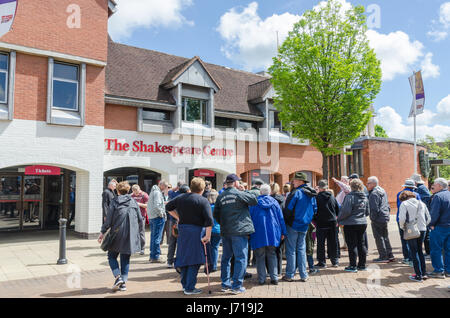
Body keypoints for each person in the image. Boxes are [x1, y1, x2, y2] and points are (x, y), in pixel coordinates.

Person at [165, 178, 213, 295]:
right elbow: (209, 220)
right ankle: (189, 287)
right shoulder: (203, 200)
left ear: (191, 187)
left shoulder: (181, 197)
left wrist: (178, 217)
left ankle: (185, 285)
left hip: (183, 230)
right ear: (202, 189)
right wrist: (208, 236)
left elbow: (168, 207)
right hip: (196, 231)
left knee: (184, 257)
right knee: (195, 259)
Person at [213, 174, 258, 294]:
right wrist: (245, 190)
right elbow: (254, 200)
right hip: (239, 230)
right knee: (240, 258)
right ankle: (237, 285)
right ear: (236, 183)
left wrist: (224, 223)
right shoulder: (239, 193)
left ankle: (225, 284)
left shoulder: (221, 196)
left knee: (226, 258)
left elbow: (216, 214)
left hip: (226, 230)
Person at [98, 181, 143, 292]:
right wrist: (138, 235)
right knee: (125, 258)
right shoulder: (133, 202)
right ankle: (123, 284)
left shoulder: (115, 201)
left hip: (117, 234)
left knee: (111, 256)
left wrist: (102, 232)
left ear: (117, 191)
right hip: (130, 235)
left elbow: (108, 220)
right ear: (128, 191)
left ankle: (118, 277)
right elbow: (140, 219)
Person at [282, 172, 317, 282]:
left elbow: (288, 209)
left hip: (293, 224)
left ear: (301, 181)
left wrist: (287, 221)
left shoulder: (296, 193)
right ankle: (303, 274)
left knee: (291, 250)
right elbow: (315, 209)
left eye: (295, 180)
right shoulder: (311, 194)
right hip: (304, 224)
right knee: (301, 249)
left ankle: (290, 274)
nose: (293, 182)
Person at [249, 184, 287, 285]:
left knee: (260, 256)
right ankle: (274, 277)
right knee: (272, 254)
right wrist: (283, 232)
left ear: (260, 192)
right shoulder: (274, 202)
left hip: (258, 233)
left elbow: (250, 218)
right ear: (269, 192)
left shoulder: (254, 203)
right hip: (272, 233)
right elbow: (281, 218)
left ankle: (261, 279)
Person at [338, 178, 369, 273]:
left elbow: (346, 211)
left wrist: (339, 219)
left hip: (351, 223)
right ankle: (362, 265)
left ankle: (353, 265)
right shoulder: (365, 197)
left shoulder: (350, 197)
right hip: (362, 223)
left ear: (351, 186)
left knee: (352, 245)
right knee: (361, 244)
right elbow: (367, 211)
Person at [398, 191, 431, 282]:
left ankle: (418, 275)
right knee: (420, 250)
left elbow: (402, 218)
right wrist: (424, 225)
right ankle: (423, 273)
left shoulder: (404, 204)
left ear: (404, 198)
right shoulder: (422, 203)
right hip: (422, 229)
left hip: (411, 229)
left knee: (414, 251)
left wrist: (402, 227)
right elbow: (429, 218)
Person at [367, 176, 395, 263]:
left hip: (378, 218)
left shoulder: (374, 193)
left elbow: (374, 208)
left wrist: (372, 218)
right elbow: (387, 204)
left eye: (368, 183)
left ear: (374, 184)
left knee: (379, 237)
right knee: (385, 236)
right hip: (384, 216)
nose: (367, 185)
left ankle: (383, 256)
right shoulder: (382, 190)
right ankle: (390, 255)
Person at [427, 178, 450, 279]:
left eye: (434, 185)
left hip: (439, 227)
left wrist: (431, 223)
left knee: (436, 249)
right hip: (448, 226)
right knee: (448, 250)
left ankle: (439, 271)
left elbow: (434, 212)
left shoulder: (437, 196)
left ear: (440, 186)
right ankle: (448, 271)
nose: (433, 187)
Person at [314, 179, 340, 268]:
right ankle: (335, 261)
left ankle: (322, 261)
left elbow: (314, 211)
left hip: (321, 223)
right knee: (333, 242)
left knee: (321, 243)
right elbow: (338, 209)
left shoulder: (317, 198)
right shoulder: (332, 197)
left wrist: (315, 220)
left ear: (319, 188)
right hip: (332, 222)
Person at [397, 179, 421, 266]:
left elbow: (399, 207)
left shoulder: (399, 194)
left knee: (404, 239)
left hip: (402, 220)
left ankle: (407, 257)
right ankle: (413, 258)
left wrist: (401, 224)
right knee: (414, 240)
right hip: (415, 221)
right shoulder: (417, 194)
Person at [167, 184, 190, 268]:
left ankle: (169, 261)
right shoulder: (187, 199)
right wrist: (179, 218)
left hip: (174, 223)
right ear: (187, 191)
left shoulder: (175, 197)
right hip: (181, 224)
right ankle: (180, 261)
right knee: (181, 242)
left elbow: (168, 208)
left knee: (172, 242)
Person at [411, 174, 432, 257]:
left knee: (426, 235)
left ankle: (429, 252)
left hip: (424, 215)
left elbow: (425, 201)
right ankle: (428, 252)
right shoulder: (421, 188)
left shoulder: (421, 189)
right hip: (424, 214)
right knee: (426, 234)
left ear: (415, 182)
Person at [148, 180, 169, 263]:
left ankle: (152, 256)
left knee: (154, 237)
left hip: (152, 216)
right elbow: (157, 205)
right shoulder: (157, 192)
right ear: (161, 185)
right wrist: (162, 214)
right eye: (165, 186)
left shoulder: (153, 192)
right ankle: (155, 256)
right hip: (157, 217)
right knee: (157, 237)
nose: (166, 188)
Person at [271, 183, 286, 275]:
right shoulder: (282, 200)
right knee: (279, 250)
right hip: (280, 227)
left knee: (270, 251)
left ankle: (271, 271)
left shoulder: (269, 200)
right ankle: (279, 271)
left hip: (271, 227)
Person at [332, 176, 351, 251]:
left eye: (343, 180)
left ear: (347, 181)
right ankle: (345, 244)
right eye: (341, 180)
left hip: (344, 213)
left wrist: (337, 181)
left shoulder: (347, 188)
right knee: (342, 230)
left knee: (345, 230)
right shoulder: (341, 190)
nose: (341, 182)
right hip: (340, 213)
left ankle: (348, 245)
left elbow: (344, 187)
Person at [131, 185, 149, 255]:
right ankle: (135, 247)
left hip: (141, 216)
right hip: (132, 216)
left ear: (139, 189)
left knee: (141, 232)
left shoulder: (144, 195)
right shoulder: (131, 195)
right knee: (133, 232)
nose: (136, 194)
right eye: (134, 193)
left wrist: (138, 204)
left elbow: (147, 205)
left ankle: (142, 248)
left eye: (137, 192)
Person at [208, 190, 221, 272]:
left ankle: (210, 264)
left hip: (208, 229)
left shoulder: (208, 207)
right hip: (218, 230)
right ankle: (214, 266)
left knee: (209, 248)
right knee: (215, 248)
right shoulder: (219, 207)